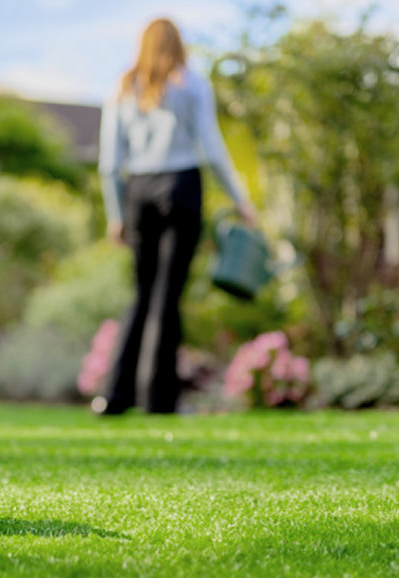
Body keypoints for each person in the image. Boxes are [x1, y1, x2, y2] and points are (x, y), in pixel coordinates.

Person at [95, 17, 257, 415]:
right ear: (178, 44)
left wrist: (117, 215)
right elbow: (212, 147)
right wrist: (240, 198)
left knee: (143, 294)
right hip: (181, 186)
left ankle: (113, 397)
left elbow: (109, 164)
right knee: (167, 295)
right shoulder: (191, 84)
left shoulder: (121, 88)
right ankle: (158, 400)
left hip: (138, 193)